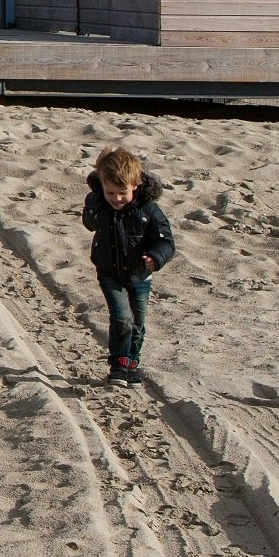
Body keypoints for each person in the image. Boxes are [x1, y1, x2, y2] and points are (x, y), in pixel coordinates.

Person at [80, 145, 176, 383]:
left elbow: (165, 240)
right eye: (110, 192)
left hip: (140, 274)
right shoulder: (100, 202)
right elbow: (89, 223)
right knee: (122, 317)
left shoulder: (149, 210)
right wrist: (96, 191)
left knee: (138, 322)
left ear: (135, 185)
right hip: (110, 272)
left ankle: (132, 362)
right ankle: (119, 363)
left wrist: (156, 257)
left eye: (122, 192)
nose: (116, 199)